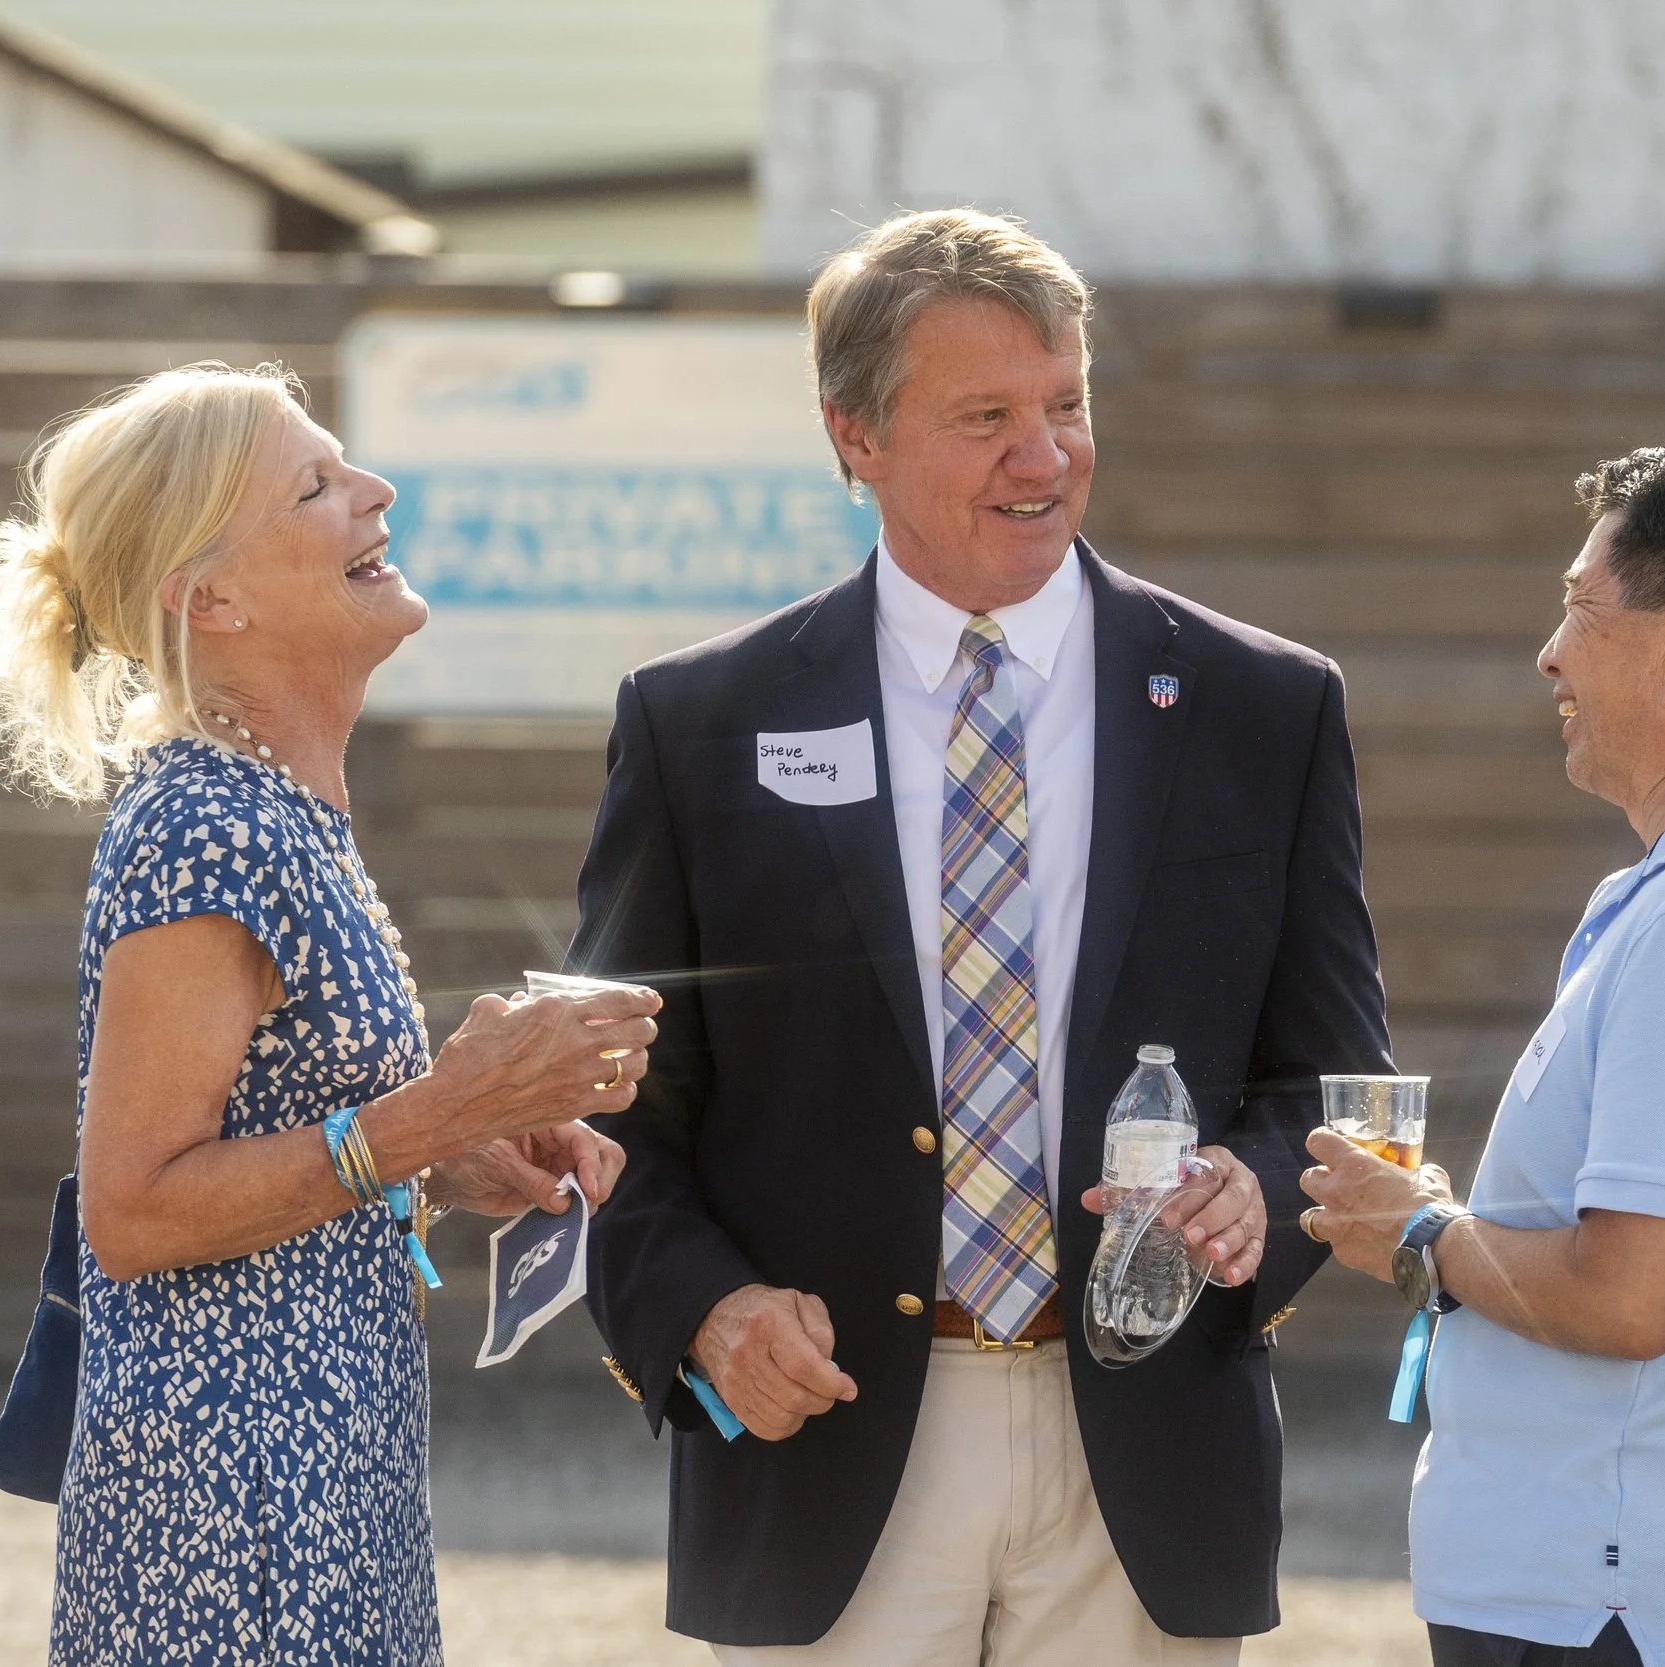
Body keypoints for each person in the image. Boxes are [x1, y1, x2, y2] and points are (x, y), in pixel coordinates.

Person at [569, 209, 1391, 1663]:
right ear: (856, 436)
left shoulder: (1267, 707)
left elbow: (1328, 1081)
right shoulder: (701, 721)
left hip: (1145, 1442)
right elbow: (616, 1103)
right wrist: (702, 1311)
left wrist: (1260, 1194)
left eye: (1068, 403)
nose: (1047, 454)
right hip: (827, 1444)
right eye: (987, 417)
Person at [0, 363, 660, 1664]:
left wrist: (459, 1152)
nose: (376, 492)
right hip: (238, 1505)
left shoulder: (276, 811)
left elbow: (286, 1135)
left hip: (321, 1471)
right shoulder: (209, 824)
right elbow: (138, 1205)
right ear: (207, 595)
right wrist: (445, 1105)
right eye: (317, 486)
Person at [1299, 442, 1665, 1667]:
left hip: (1613, 1600)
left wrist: (1417, 1233)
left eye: (1578, 606)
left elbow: (1633, 1294)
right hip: (1660, 1588)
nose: (1549, 652)